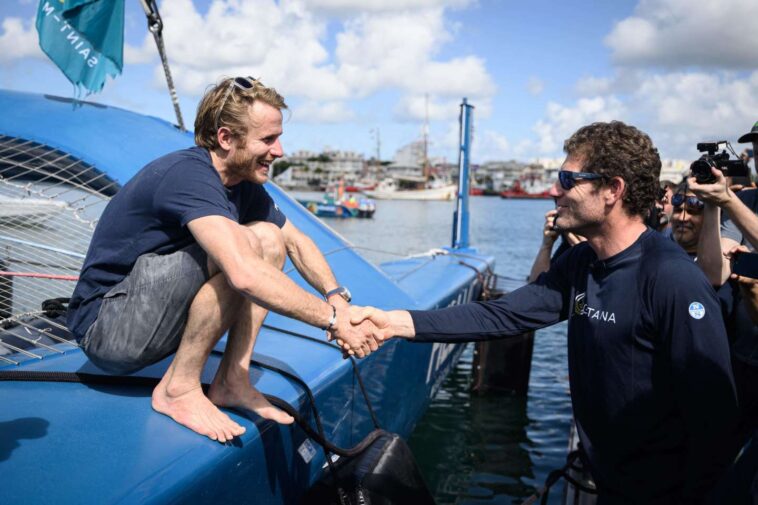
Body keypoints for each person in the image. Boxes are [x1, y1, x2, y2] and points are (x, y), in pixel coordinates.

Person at [353, 121, 738, 504]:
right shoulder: (582, 261)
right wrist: (393, 322)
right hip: (608, 483)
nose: (557, 191)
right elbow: (502, 315)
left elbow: (715, 421)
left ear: (612, 190)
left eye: (568, 179)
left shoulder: (672, 279)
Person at [67, 77, 379, 443]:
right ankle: (177, 390)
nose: (279, 151)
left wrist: (336, 298)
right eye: (267, 139)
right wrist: (333, 323)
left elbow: (295, 242)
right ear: (226, 138)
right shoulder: (188, 175)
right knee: (250, 247)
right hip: (108, 329)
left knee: (271, 236)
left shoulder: (244, 184)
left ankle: (233, 379)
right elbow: (245, 275)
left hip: (148, 318)